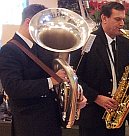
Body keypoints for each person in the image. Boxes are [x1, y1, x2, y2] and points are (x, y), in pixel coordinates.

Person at [0, 4, 87, 135]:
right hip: (29, 124)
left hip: (50, 120)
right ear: (28, 22)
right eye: (43, 25)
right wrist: (51, 81)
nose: (46, 29)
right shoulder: (9, 50)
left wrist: (74, 98)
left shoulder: (40, 48)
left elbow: (56, 81)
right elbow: (13, 88)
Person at [72, 2, 129, 136]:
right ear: (104, 19)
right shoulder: (87, 41)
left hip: (118, 114)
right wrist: (96, 97)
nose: (122, 24)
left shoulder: (126, 43)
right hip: (93, 115)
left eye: (123, 19)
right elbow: (74, 78)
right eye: (117, 19)